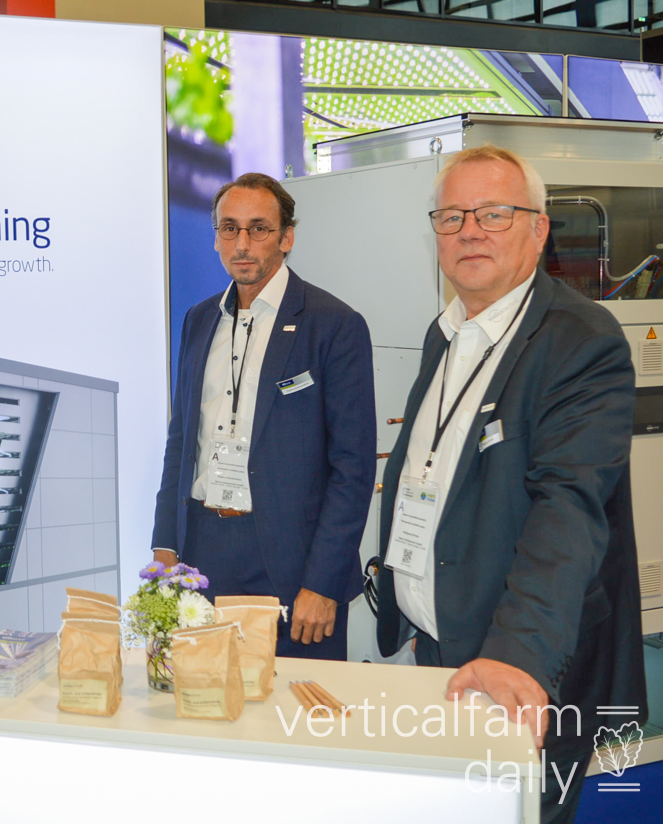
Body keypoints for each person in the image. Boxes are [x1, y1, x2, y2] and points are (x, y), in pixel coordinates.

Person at [375, 145, 646, 822]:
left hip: (522, 663)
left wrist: (515, 657)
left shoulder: (581, 341)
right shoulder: (447, 332)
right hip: (442, 649)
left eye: (494, 214)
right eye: (452, 216)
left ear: (539, 228)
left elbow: (568, 510)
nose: (470, 231)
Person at [152, 172, 376, 660]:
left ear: (286, 237)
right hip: (202, 550)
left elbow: (353, 469)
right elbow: (180, 440)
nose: (242, 243)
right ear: (215, 237)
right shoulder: (198, 320)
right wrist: (164, 544)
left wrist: (324, 581)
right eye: (229, 228)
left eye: (259, 229)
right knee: (204, 691)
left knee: (296, 701)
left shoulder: (334, 325)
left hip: (292, 560)